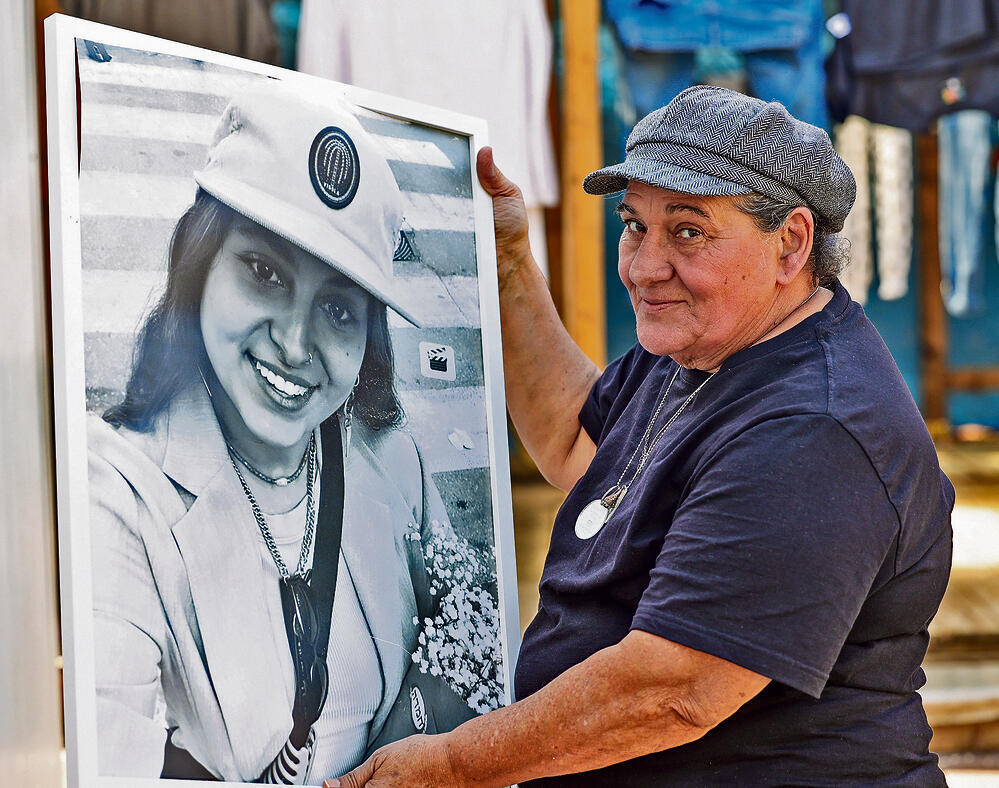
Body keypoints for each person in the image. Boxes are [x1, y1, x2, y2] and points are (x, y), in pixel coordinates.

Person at [328, 85, 954, 786]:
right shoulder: (705, 346)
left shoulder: (812, 430)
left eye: (687, 231)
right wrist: (504, 260)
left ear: (790, 244)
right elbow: (580, 444)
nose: (642, 266)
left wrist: (452, 764)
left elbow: (674, 690)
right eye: (633, 225)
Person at [88, 84, 474, 784]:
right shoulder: (117, 495)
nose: (296, 344)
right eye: (265, 273)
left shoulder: (393, 460)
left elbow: (469, 625)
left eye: (337, 306)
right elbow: (104, 746)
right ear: (199, 266)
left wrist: (412, 743)